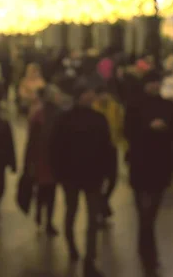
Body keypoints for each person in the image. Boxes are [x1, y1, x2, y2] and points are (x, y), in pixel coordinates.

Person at [124, 71, 173, 271]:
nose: (154, 86)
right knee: (145, 212)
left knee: (150, 212)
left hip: (159, 165)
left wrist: (165, 129)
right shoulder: (134, 106)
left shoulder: (168, 106)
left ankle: (145, 249)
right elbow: (128, 131)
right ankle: (149, 253)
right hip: (141, 164)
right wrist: (148, 128)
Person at [49, 82, 111, 277]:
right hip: (74, 175)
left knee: (91, 217)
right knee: (72, 211)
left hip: (86, 175)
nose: (92, 96)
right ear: (81, 96)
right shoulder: (67, 119)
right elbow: (55, 147)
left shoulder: (96, 119)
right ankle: (73, 248)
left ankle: (89, 257)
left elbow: (106, 147)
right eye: (88, 93)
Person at [23, 85, 72, 236]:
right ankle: (47, 220)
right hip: (51, 158)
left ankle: (41, 215)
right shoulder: (58, 114)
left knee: (44, 188)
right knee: (49, 190)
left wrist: (28, 161)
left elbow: (31, 141)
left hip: (42, 157)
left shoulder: (39, 114)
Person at [93, 86, 127, 223]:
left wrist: (125, 147)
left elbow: (122, 127)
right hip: (97, 149)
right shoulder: (94, 108)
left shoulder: (116, 108)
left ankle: (103, 201)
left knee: (112, 179)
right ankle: (101, 207)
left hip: (112, 147)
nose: (103, 97)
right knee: (100, 180)